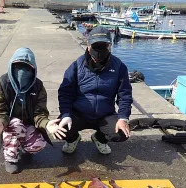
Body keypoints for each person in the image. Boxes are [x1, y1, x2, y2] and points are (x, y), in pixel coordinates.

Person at [0, 47, 65, 174]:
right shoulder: (3, 83)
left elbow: (40, 112)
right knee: (16, 124)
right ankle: (10, 158)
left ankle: (24, 150)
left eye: (27, 68)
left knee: (39, 143)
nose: (22, 71)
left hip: (29, 124)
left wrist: (46, 124)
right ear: (11, 66)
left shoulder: (38, 86)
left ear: (33, 69)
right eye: (18, 66)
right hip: (9, 124)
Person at [57, 26, 133, 155]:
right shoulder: (76, 65)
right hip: (79, 113)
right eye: (95, 46)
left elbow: (124, 95)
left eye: (103, 46)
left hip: (105, 115)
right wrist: (65, 114)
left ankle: (99, 138)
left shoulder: (119, 66)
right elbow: (65, 93)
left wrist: (123, 118)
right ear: (88, 45)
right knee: (60, 129)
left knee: (121, 134)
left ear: (109, 46)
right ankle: (73, 139)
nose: (99, 51)